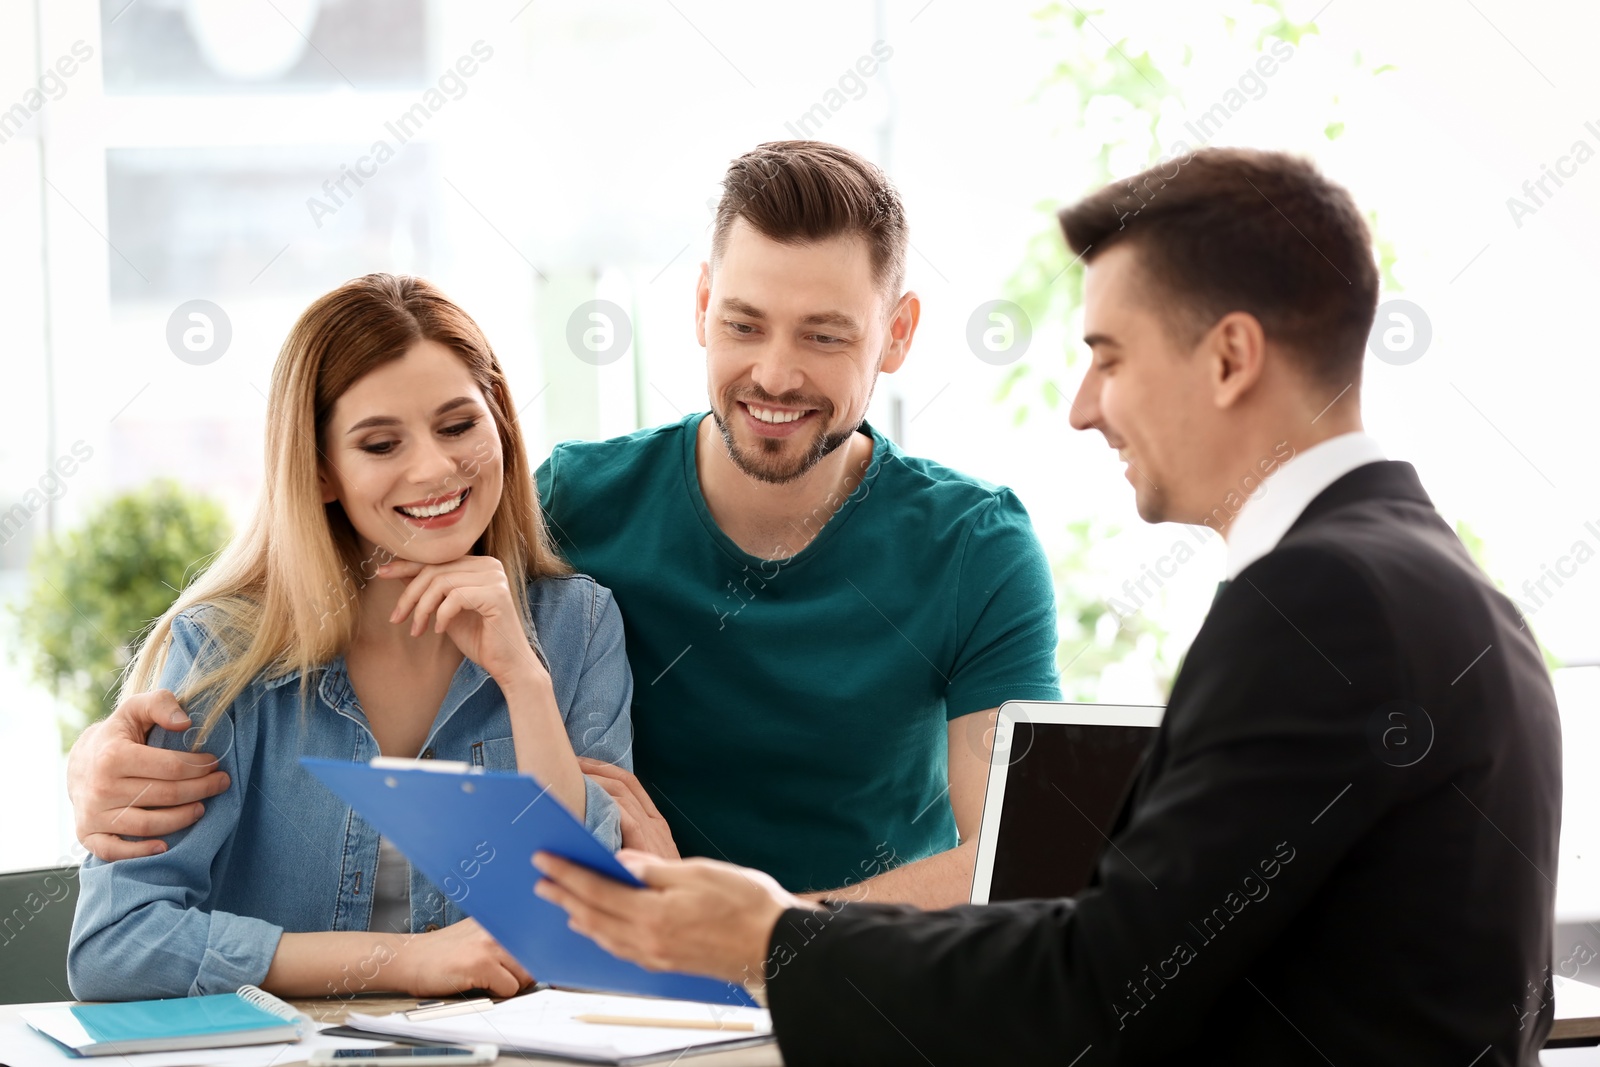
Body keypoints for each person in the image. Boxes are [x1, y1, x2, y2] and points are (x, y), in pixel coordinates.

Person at [530, 147, 1563, 1065]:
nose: (1080, 407)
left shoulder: (1323, 601)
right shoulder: (1431, 580)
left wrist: (767, 934)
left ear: (1229, 356)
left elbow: (1099, 984)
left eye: (1108, 356)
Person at [67, 141, 1064, 907]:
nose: (773, 372)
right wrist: (106, 749)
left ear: (896, 334)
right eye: (745, 323)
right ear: (702, 304)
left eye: (825, 335)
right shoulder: (575, 504)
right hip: (613, 994)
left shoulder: (976, 548)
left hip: (860, 988)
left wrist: (763, 925)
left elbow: (1013, 857)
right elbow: (338, 574)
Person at [67, 274, 633, 1001]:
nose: (432, 467)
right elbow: (116, 947)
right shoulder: (223, 653)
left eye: (458, 425)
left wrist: (524, 679)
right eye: (380, 443)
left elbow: (585, 922)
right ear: (324, 471)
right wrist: (408, 961)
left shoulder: (576, 626)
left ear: (500, 424)